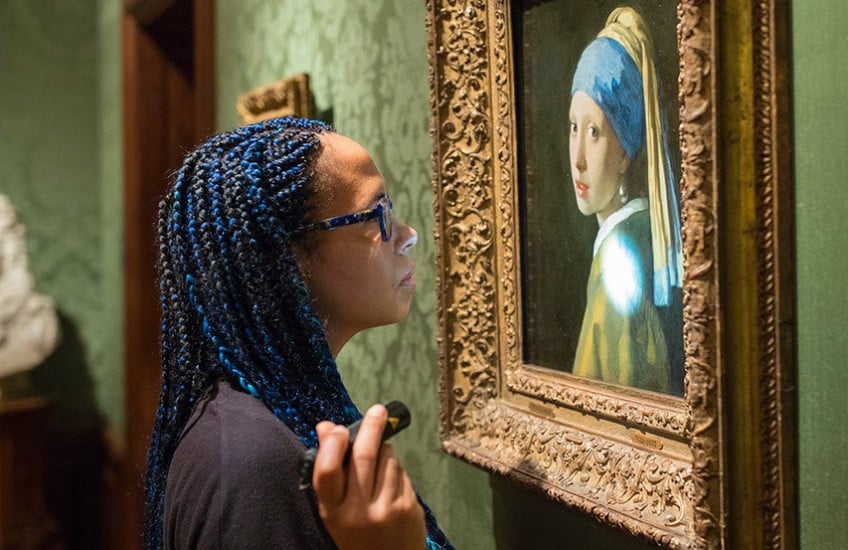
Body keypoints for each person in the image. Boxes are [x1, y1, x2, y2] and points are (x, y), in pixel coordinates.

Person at [144, 116, 454, 549]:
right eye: (377, 213)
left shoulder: (271, 414)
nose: (406, 236)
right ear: (288, 259)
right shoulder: (252, 463)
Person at [568, 7, 684, 395]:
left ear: (625, 153)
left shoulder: (618, 254)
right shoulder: (644, 229)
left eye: (595, 132)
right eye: (574, 128)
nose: (578, 158)